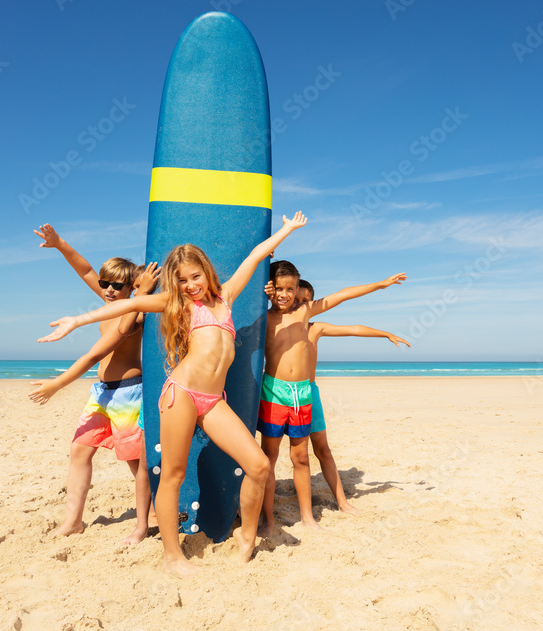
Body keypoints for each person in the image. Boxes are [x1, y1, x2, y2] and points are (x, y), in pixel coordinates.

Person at [38, 213, 307, 576]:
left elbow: (257, 256)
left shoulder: (225, 296)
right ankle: (172, 556)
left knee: (258, 466)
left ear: (207, 273)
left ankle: (246, 538)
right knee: (173, 475)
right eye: (182, 280)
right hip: (180, 394)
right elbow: (131, 304)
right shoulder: (179, 304)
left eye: (195, 276)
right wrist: (77, 321)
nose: (190, 285)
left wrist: (287, 230)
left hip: (213, 401)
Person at [29, 224, 159, 545]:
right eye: (105, 284)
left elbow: (113, 338)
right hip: (100, 393)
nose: (109, 290)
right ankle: (73, 521)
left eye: (117, 285)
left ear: (131, 288)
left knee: (134, 461)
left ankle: (151, 514)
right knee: (79, 451)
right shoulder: (105, 303)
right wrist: (60, 244)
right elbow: (85, 269)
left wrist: (142, 295)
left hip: (129, 394)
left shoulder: (136, 312)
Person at [259, 261, 406, 534]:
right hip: (274, 391)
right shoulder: (262, 315)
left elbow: (343, 294)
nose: (285, 294)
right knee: (269, 457)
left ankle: (307, 518)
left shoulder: (305, 313)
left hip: (302, 393)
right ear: (270, 289)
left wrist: (380, 285)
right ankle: (268, 520)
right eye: (279, 288)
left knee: (301, 458)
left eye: (291, 289)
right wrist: (263, 281)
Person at [295, 279, 409, 515]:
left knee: (323, 450)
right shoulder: (276, 324)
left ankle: (342, 502)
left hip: (309, 392)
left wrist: (385, 333)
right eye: (295, 300)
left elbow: (353, 326)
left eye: (305, 301)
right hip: (281, 393)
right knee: (287, 454)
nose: (299, 306)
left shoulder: (316, 328)